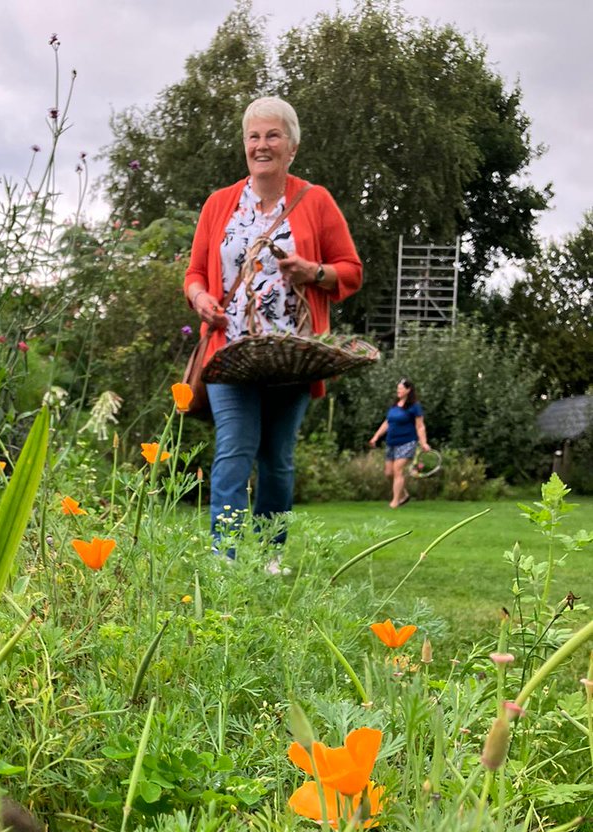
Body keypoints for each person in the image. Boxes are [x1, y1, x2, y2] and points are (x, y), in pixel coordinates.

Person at [184, 96, 363, 561]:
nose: (261, 145)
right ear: (245, 145)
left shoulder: (315, 201)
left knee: (277, 462)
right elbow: (195, 275)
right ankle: (225, 561)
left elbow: (351, 271)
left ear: (292, 147)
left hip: (293, 358)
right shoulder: (219, 204)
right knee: (233, 453)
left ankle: (269, 557)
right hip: (230, 355)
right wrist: (201, 299)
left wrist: (313, 272)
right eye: (254, 136)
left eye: (272, 135)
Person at [368, 378, 431, 508]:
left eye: (401, 388)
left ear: (408, 390)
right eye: (398, 389)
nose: (398, 391)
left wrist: (423, 442)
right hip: (391, 442)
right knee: (389, 473)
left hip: (407, 442)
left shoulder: (414, 407)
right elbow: (387, 422)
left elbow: (420, 426)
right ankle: (404, 495)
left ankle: (395, 502)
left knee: (398, 470)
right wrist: (376, 437)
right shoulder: (394, 405)